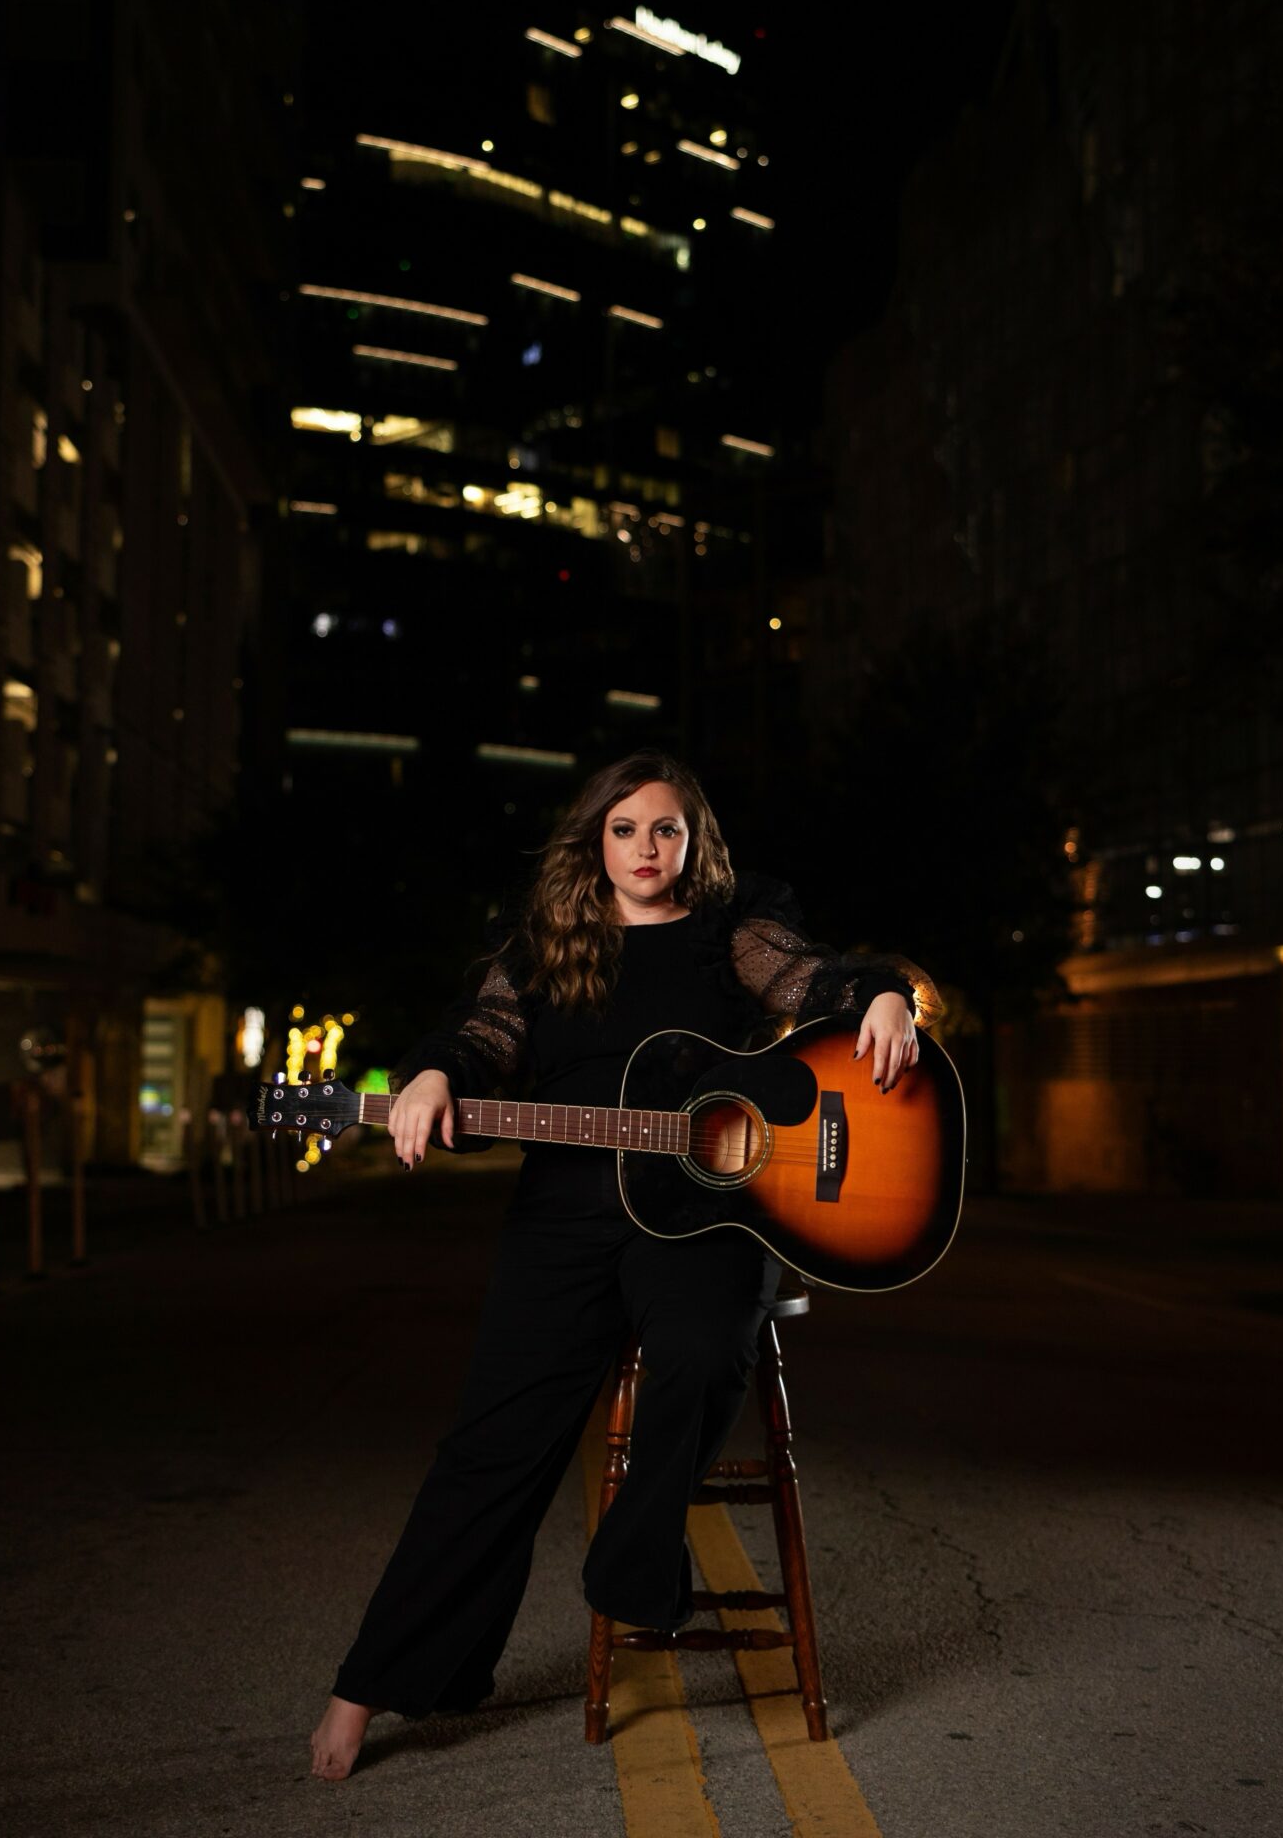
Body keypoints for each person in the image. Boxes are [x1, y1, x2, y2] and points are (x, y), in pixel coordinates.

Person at [310, 749, 932, 1781]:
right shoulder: (544, 941)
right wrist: (431, 1073)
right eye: (625, 828)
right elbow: (482, 1034)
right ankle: (368, 1684)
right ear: (593, 838)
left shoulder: (732, 928)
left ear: (693, 839)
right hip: (563, 1219)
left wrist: (882, 993)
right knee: (491, 1447)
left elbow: (811, 976)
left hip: (703, 1215)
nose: (646, 848)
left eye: (665, 829)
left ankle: (634, 1556)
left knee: (702, 1348)